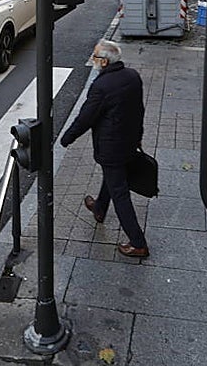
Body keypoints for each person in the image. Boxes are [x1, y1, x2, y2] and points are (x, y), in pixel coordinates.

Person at [60, 39, 149, 258]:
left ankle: (138, 243)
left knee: (119, 192)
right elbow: (139, 109)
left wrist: (66, 138)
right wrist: (138, 136)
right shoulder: (132, 76)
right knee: (112, 178)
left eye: (95, 57)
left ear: (105, 62)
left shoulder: (101, 86)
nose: (92, 61)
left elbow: (85, 118)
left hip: (111, 147)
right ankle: (99, 208)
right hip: (129, 141)